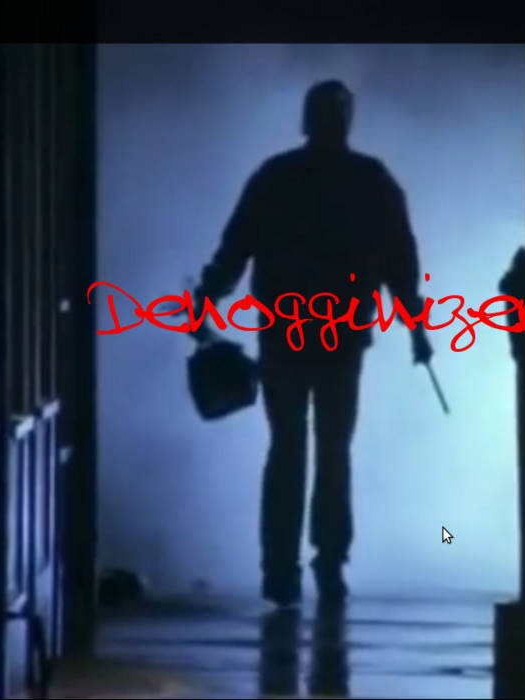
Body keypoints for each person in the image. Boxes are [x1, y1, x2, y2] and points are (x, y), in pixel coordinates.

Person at [193, 79, 433, 607]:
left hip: (285, 333)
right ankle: (328, 562)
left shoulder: (277, 177)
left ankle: (281, 569)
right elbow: (400, 261)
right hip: (342, 338)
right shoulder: (371, 180)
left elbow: (236, 246)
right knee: (332, 450)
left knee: (288, 448)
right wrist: (415, 327)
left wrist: (207, 297)